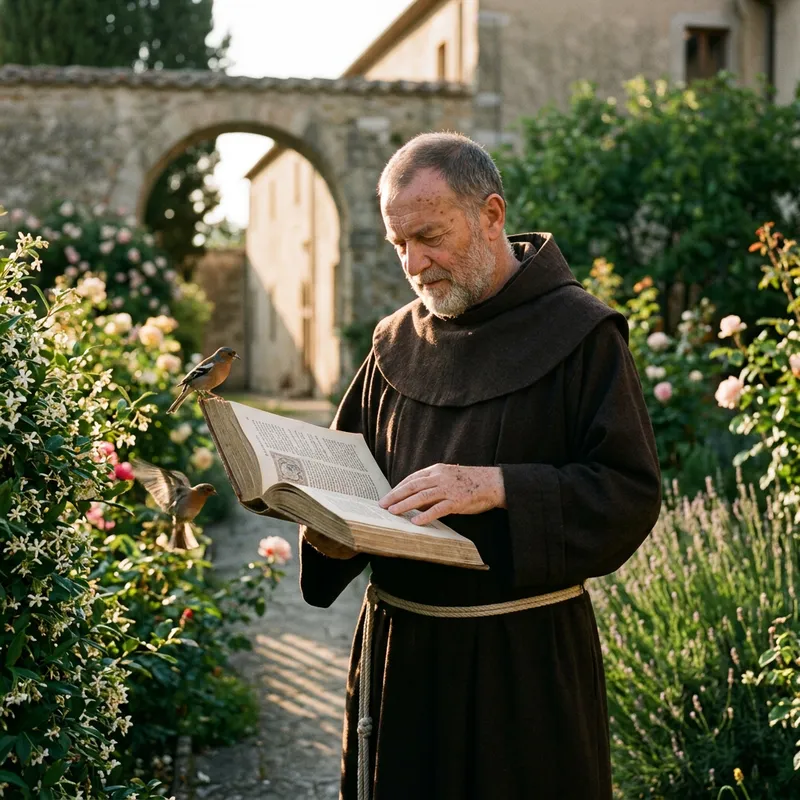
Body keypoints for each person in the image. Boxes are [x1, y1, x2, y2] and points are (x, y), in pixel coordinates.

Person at [299, 131, 662, 800]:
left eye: (429, 236)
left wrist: (496, 487)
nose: (414, 263)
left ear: (491, 215)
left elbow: (629, 492)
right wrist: (325, 531)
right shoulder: (393, 344)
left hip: (522, 675)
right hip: (400, 662)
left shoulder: (582, 335)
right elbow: (348, 479)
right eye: (399, 244)